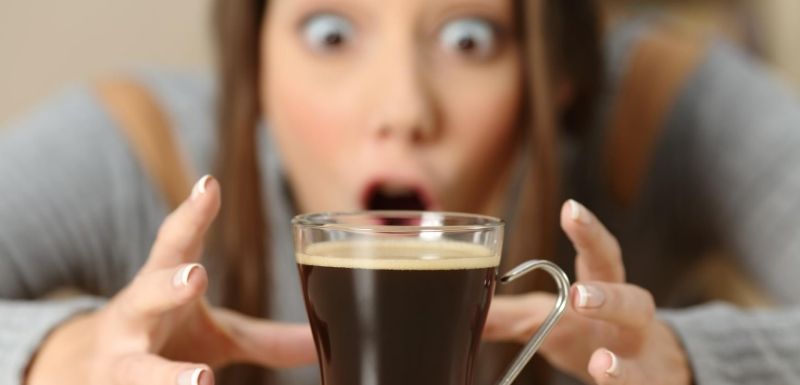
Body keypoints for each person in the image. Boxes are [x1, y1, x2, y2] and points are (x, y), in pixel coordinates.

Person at [1, 0, 799, 384]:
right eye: (330, 33)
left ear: (550, 75)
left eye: (468, 38)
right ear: (255, 68)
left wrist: (697, 364)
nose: (404, 110)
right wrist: (56, 356)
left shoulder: (657, 108)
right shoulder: (143, 146)